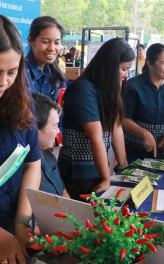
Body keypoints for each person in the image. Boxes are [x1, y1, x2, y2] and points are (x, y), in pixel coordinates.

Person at [0, 14, 41, 264]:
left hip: (10, 226)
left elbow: (32, 163)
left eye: (11, 72)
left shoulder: (20, 100)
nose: (3, 82)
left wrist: (22, 220)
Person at [58, 38, 135, 200]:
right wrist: (106, 178)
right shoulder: (83, 89)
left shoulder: (109, 88)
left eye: (128, 70)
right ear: (109, 66)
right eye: (123, 69)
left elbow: (116, 126)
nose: (126, 75)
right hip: (80, 172)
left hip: (99, 169)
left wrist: (123, 165)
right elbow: (95, 137)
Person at [123, 43, 164, 159]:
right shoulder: (132, 86)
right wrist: (144, 133)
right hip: (134, 150)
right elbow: (124, 120)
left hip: (162, 150)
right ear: (149, 63)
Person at [32, 94, 70, 197]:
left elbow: (64, 192)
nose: (58, 131)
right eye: (55, 126)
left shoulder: (49, 155)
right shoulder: (23, 168)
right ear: (35, 129)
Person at [25, 16, 66, 102]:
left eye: (56, 43)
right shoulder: (20, 73)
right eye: (45, 42)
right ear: (30, 40)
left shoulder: (56, 74)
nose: (52, 48)